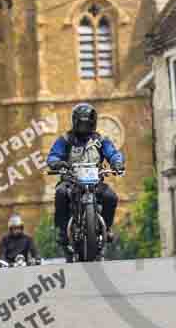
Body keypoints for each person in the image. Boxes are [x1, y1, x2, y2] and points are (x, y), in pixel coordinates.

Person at [47, 103, 125, 260]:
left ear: (93, 123)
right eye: (80, 123)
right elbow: (53, 155)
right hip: (71, 181)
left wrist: (117, 163)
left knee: (111, 197)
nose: (83, 127)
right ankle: (62, 231)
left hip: (95, 182)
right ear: (75, 122)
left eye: (87, 123)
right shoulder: (65, 139)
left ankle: (107, 228)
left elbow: (113, 153)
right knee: (61, 193)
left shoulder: (101, 140)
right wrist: (57, 163)